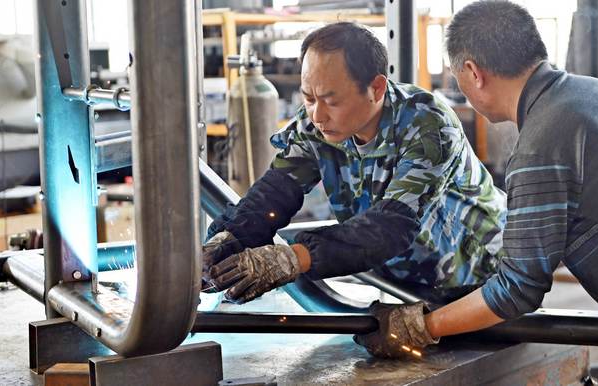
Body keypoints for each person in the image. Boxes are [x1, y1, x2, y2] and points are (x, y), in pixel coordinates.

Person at [353, 2, 598, 384]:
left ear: (473, 73)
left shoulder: (540, 145)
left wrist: (421, 326)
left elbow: (517, 291)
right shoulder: (594, 93)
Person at [201, 22, 506, 311]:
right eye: (308, 98)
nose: (317, 115)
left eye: (331, 101)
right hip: (407, 281)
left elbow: (391, 227)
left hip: (484, 280)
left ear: (376, 88)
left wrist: (291, 259)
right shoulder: (314, 125)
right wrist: (229, 239)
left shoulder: (428, 126)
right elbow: (274, 194)